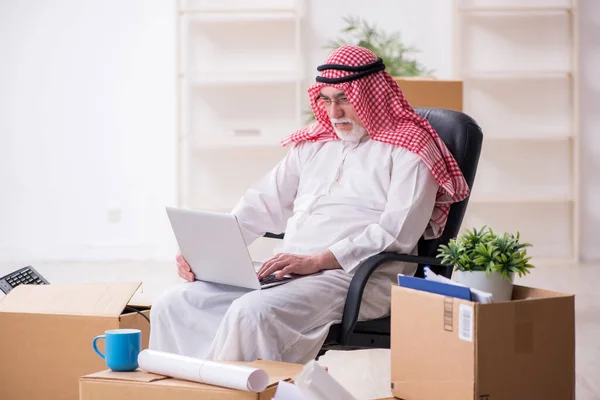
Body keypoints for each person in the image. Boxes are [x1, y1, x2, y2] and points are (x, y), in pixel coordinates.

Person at [149, 45, 469, 364]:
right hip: (288, 272)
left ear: (371, 97)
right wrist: (206, 252)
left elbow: (396, 234)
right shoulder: (315, 143)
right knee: (175, 303)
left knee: (252, 313)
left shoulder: (410, 149)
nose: (334, 113)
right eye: (326, 100)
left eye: (344, 99)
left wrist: (318, 261)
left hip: (359, 277)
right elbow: (263, 203)